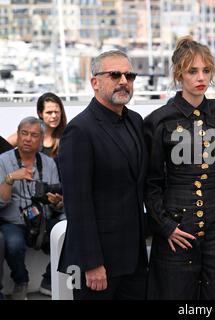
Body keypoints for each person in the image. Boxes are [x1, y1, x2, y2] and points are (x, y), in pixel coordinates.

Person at [144, 36, 215, 300]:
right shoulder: (159, 120)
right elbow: (151, 183)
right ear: (178, 74)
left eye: (206, 71)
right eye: (193, 71)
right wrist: (165, 226)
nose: (200, 77)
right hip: (177, 226)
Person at [57, 50, 149, 300]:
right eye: (115, 74)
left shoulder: (136, 121)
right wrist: (92, 263)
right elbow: (78, 203)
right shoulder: (79, 130)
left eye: (129, 75)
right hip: (98, 265)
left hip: (135, 259)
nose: (124, 81)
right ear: (95, 82)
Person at [0, 117, 63, 300]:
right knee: (13, 243)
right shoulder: (3, 161)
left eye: (34, 135)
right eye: (24, 134)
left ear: (41, 139)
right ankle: (21, 282)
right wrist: (11, 178)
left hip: (42, 219)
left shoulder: (48, 163)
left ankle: (49, 280)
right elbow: (1, 202)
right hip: (13, 221)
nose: (28, 139)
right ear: (18, 135)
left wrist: (57, 202)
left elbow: (56, 202)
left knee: (70, 231)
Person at [7, 92, 67, 158]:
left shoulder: (66, 135)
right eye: (49, 112)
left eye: (56, 112)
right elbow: (3, 147)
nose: (54, 116)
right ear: (40, 113)